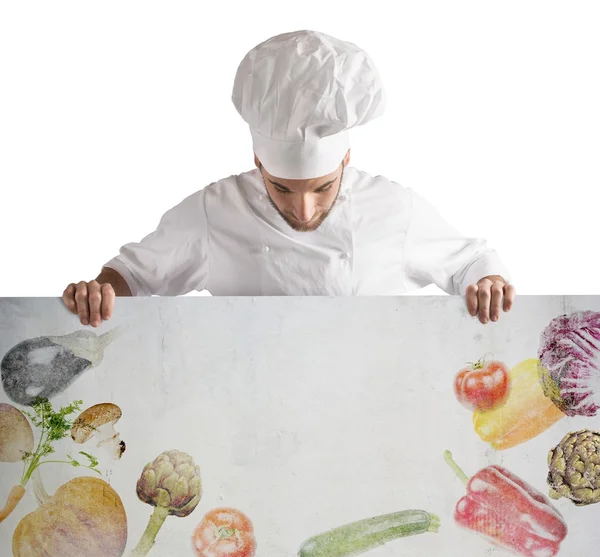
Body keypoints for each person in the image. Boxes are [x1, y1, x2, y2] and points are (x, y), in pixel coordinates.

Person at [63, 30, 515, 327]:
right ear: (258, 164)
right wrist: (98, 293)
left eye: (322, 188)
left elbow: (469, 262)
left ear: (346, 161)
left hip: (372, 395)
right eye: (282, 187)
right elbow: (132, 276)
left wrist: (488, 281)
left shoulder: (395, 208)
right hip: (248, 401)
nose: (303, 209)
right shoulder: (213, 210)